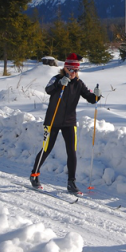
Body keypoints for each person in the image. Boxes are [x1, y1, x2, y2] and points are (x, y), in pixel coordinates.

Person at [30, 53, 102, 193]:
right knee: (47, 148)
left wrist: (97, 95)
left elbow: (91, 98)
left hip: (69, 122)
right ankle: (34, 175)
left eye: (76, 70)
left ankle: (71, 182)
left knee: (71, 152)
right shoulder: (57, 79)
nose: (74, 73)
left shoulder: (78, 84)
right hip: (52, 121)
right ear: (65, 69)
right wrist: (59, 83)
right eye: (71, 70)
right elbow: (48, 89)